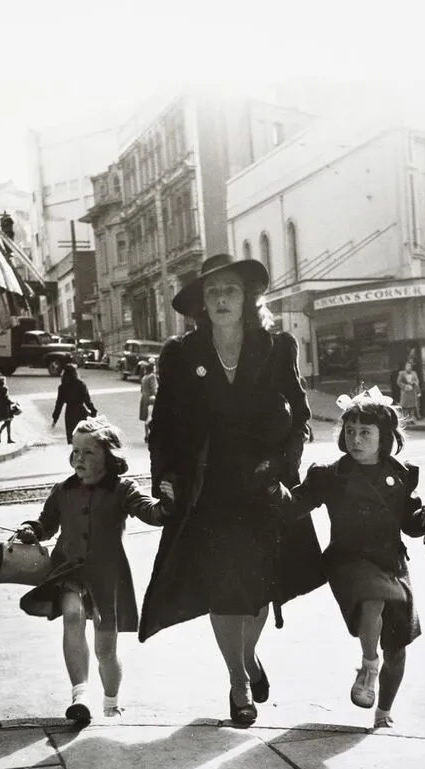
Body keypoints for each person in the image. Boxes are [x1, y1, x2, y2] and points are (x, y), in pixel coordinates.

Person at [140, 253, 324, 727]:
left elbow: (300, 418)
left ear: (248, 298)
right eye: (213, 292)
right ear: (202, 303)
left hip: (262, 485)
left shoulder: (277, 347)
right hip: (208, 490)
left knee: (260, 590)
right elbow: (161, 428)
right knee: (224, 589)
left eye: (230, 290)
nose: (222, 299)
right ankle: (239, 682)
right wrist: (164, 479)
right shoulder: (180, 355)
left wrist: (284, 470)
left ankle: (249, 657)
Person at [268, 389, 425, 729]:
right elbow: (292, 507)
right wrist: (270, 487)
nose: (356, 440)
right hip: (348, 562)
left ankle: (383, 709)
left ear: (384, 437)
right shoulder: (329, 476)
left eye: (365, 432)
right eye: (350, 432)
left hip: (391, 563)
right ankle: (368, 663)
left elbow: (410, 525)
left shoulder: (402, 475)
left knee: (399, 644)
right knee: (374, 596)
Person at [14, 417, 175, 723]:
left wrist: (167, 503)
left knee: (106, 650)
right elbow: (45, 525)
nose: (79, 458)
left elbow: (151, 513)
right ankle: (80, 696)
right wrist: (30, 530)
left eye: (88, 452)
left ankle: (111, 700)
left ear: (109, 456)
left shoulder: (123, 489)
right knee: (72, 616)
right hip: (69, 571)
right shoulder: (62, 490)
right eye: (75, 451)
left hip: (106, 577)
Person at [52, 363, 98, 444]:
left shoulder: (62, 387)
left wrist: (55, 419)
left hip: (69, 414)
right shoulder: (81, 384)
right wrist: (94, 412)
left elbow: (59, 404)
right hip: (81, 412)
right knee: (83, 438)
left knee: (73, 440)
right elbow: (87, 401)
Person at [0, 374, 16, 443]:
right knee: (8, 422)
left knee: (7, 422)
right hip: (6, 408)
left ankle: (2, 435)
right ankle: (6, 437)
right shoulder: (5, 389)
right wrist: (13, 402)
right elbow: (6, 399)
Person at [138, 357, 159, 442]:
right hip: (151, 399)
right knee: (152, 417)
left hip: (144, 398)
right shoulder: (152, 377)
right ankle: (152, 435)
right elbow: (154, 390)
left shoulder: (144, 377)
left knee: (147, 417)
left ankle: (146, 435)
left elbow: (142, 389)